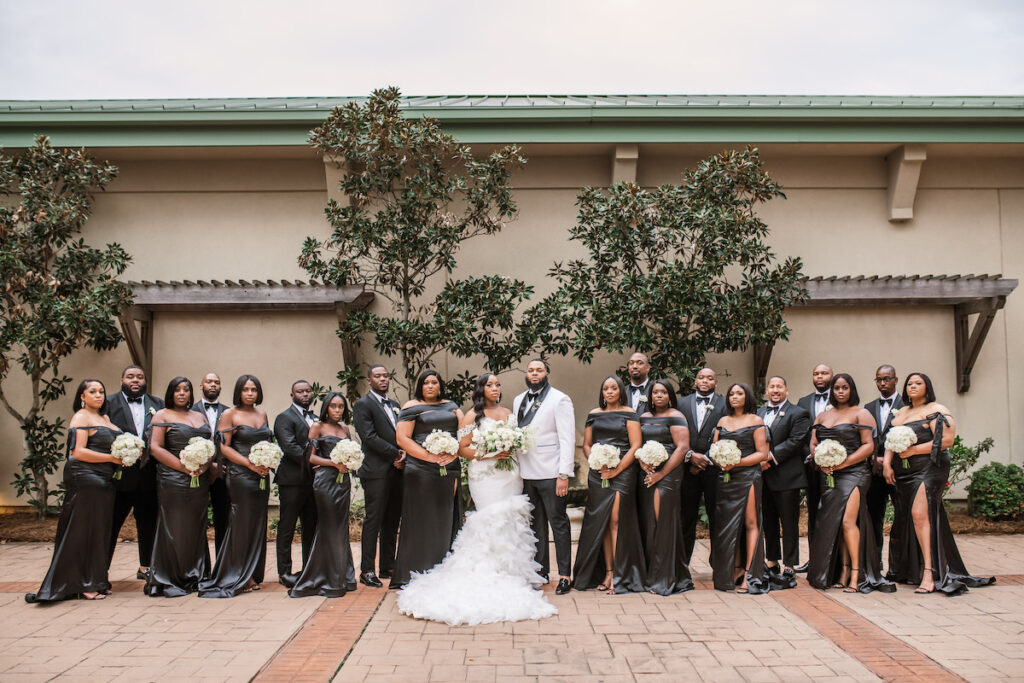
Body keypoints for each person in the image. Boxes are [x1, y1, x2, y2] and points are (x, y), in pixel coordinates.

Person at [397, 374, 557, 624]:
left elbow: (519, 442)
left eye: (497, 384)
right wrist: (491, 453)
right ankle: (487, 572)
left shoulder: (508, 412)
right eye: (489, 385)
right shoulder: (472, 415)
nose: (495, 388)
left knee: (511, 519)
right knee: (490, 520)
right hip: (485, 476)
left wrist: (512, 448)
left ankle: (511, 573)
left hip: (510, 473)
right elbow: (463, 448)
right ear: (480, 389)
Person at [883, 372, 995, 596]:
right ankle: (910, 569)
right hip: (904, 472)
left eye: (918, 383)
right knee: (906, 517)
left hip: (929, 468)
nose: (913, 386)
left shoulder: (937, 410)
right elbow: (890, 441)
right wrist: (887, 464)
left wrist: (914, 450)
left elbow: (946, 440)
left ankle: (929, 572)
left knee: (919, 514)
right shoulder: (901, 412)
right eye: (910, 384)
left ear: (927, 387)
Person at [26, 380, 120, 603]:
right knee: (82, 531)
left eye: (101, 391)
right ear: (82, 396)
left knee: (98, 531)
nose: (99, 395)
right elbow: (78, 452)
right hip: (85, 478)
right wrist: (111, 458)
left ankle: (96, 579)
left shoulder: (104, 418)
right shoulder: (81, 417)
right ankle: (81, 583)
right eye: (93, 392)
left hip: (105, 480)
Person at [807, 374, 894, 594]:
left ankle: (857, 574)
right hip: (829, 475)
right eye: (836, 388)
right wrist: (821, 460)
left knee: (848, 521)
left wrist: (843, 463)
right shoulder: (823, 415)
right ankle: (842, 571)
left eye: (845, 387)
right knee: (835, 523)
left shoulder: (861, 413)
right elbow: (814, 442)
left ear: (851, 389)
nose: (840, 391)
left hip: (854, 473)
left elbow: (868, 445)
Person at [199, 375, 272, 598]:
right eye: (246, 389)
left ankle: (251, 572)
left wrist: (267, 461)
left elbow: (267, 443)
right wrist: (250, 463)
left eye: (254, 390)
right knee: (241, 523)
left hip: (261, 475)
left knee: (257, 523)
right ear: (238, 392)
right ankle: (237, 574)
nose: (250, 393)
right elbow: (225, 448)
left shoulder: (262, 414)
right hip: (240, 475)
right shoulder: (229, 414)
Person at [390, 370, 463, 589]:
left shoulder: (452, 406)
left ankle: (445, 567)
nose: (430, 386)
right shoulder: (411, 407)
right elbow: (402, 438)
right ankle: (417, 568)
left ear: (440, 385)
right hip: (420, 468)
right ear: (420, 386)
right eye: (426, 383)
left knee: (446, 515)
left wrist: (455, 452)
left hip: (450, 467)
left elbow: (465, 433)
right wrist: (429, 456)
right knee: (422, 518)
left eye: (434, 382)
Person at [572, 376, 645, 594]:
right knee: (602, 522)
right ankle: (608, 572)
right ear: (602, 392)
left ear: (620, 391)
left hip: (622, 473)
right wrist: (595, 460)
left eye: (614, 388)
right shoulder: (594, 415)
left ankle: (621, 575)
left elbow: (635, 446)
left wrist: (616, 469)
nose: (609, 392)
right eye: (606, 388)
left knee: (616, 521)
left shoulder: (630, 414)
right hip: (598, 472)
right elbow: (586, 444)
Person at [145, 377, 214, 597]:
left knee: (196, 526)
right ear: (170, 393)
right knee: (174, 526)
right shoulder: (162, 415)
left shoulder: (200, 416)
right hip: (173, 478)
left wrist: (203, 466)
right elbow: (155, 448)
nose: (182, 393)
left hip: (199, 479)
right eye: (177, 390)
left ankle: (196, 573)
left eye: (186, 389)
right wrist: (184, 468)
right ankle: (170, 576)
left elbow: (211, 446)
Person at [512, 359, 575, 595]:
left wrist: (564, 474)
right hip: (527, 473)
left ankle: (565, 575)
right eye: (531, 370)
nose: (535, 373)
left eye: (539, 370)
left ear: (546, 372)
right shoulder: (518, 399)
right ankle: (541, 571)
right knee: (536, 525)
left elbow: (567, 438)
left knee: (558, 523)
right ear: (526, 374)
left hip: (551, 472)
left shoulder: (559, 399)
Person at [289, 392, 357, 598]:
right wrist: (333, 463)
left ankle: (344, 575)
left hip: (343, 481)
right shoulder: (317, 427)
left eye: (341, 407)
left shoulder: (345, 429)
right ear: (326, 407)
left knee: (341, 526)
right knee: (328, 525)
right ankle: (326, 575)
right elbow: (310, 457)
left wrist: (351, 463)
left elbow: (353, 453)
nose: (337, 410)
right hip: (325, 481)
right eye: (333, 406)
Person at [709, 383, 770, 593]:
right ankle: (731, 571)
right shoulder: (722, 421)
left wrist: (737, 462)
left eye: (739, 393)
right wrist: (720, 461)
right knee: (727, 524)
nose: (734, 396)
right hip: (725, 477)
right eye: (731, 393)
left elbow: (762, 453)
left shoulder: (756, 421)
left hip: (747, 476)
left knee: (751, 523)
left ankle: (750, 574)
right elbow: (714, 449)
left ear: (748, 396)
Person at [105, 365, 164, 579]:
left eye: (139, 377)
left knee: (148, 521)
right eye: (130, 377)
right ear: (122, 380)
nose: (135, 380)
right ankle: (102, 568)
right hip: (119, 476)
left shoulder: (158, 405)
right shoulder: (108, 404)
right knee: (111, 523)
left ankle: (146, 567)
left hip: (148, 475)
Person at [637, 379, 693, 595]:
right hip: (647, 472)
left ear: (670, 395)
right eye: (655, 392)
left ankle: (662, 577)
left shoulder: (676, 416)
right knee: (648, 521)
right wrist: (642, 462)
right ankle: (657, 572)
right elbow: (637, 445)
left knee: (663, 522)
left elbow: (682, 448)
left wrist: (661, 473)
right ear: (650, 396)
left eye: (663, 392)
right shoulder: (643, 417)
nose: (659, 395)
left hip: (668, 474)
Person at [352, 365, 404, 588]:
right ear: (369, 380)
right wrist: (395, 453)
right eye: (378, 376)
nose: (383, 379)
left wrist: (403, 455)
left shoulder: (395, 405)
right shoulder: (362, 405)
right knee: (374, 520)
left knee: (392, 519)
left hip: (397, 470)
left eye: (385, 376)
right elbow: (369, 437)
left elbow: (400, 434)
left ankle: (387, 565)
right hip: (375, 471)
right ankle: (366, 570)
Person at [758, 376, 810, 587]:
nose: (775, 390)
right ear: (767, 390)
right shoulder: (759, 413)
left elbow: (796, 441)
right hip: (762, 476)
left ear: (787, 390)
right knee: (768, 522)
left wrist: (768, 457)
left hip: (787, 475)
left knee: (788, 523)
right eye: (772, 386)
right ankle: (771, 561)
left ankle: (789, 564)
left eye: (779, 386)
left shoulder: (798, 413)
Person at [677, 368, 727, 564]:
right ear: (695, 381)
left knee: (717, 516)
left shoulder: (724, 404)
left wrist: (705, 459)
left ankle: (718, 564)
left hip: (714, 469)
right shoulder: (681, 403)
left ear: (716, 383)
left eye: (710, 378)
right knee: (685, 518)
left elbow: (726, 435)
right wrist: (690, 456)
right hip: (687, 469)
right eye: (701, 377)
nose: (705, 381)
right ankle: (682, 564)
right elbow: (675, 433)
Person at [273, 380, 319, 588]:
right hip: (292, 481)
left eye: (308, 391)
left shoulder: (317, 419)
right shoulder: (284, 418)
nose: (305, 395)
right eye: (300, 392)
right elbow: (290, 447)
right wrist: (316, 462)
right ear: (292, 395)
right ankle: (284, 572)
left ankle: (309, 568)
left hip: (313, 483)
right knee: (287, 527)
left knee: (311, 525)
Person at [795, 363, 833, 572]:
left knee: (832, 511)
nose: (819, 377)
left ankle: (831, 559)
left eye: (824, 373)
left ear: (832, 376)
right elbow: (800, 434)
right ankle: (813, 560)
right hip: (810, 465)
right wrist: (810, 456)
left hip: (835, 466)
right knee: (813, 512)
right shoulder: (803, 402)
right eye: (816, 373)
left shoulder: (839, 399)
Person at [864, 364, 902, 568]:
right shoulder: (869, 407)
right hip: (874, 471)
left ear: (896, 380)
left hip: (899, 471)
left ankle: (898, 565)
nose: (883, 383)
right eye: (879, 379)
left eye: (887, 379)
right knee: (873, 517)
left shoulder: (906, 406)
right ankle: (874, 563)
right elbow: (863, 437)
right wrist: (873, 458)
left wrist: (889, 461)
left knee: (901, 516)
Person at [192, 372, 230, 555]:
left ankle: (221, 567)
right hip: (197, 472)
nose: (213, 385)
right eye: (209, 382)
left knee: (223, 518)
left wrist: (218, 465)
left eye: (217, 382)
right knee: (197, 520)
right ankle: (202, 568)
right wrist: (206, 465)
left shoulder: (229, 412)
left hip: (222, 471)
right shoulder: (190, 411)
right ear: (201, 385)